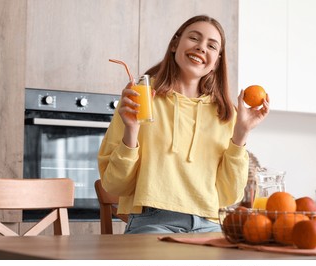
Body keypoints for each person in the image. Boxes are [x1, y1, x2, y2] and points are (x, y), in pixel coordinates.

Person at [97, 15, 270, 234]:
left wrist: (241, 133)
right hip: (152, 221)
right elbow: (114, 185)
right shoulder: (140, 100)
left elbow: (230, 195)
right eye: (194, 38)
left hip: (210, 225)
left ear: (216, 61)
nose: (201, 48)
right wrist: (131, 131)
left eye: (211, 46)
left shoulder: (226, 114)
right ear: (174, 44)